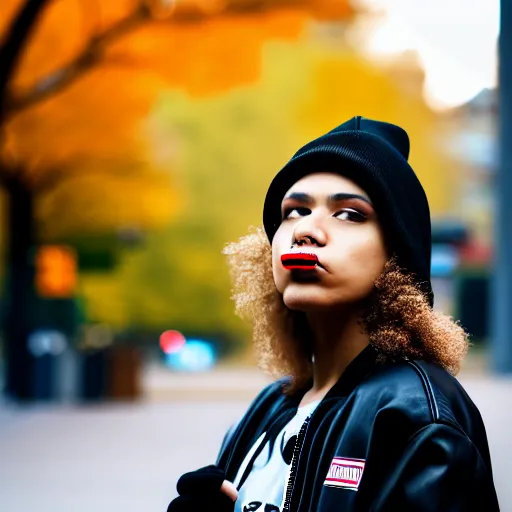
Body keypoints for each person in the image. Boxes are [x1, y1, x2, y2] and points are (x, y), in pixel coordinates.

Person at [167, 116, 499, 511]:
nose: (306, 230)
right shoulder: (268, 407)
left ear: (398, 258)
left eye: (349, 214)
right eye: (294, 210)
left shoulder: (418, 418)